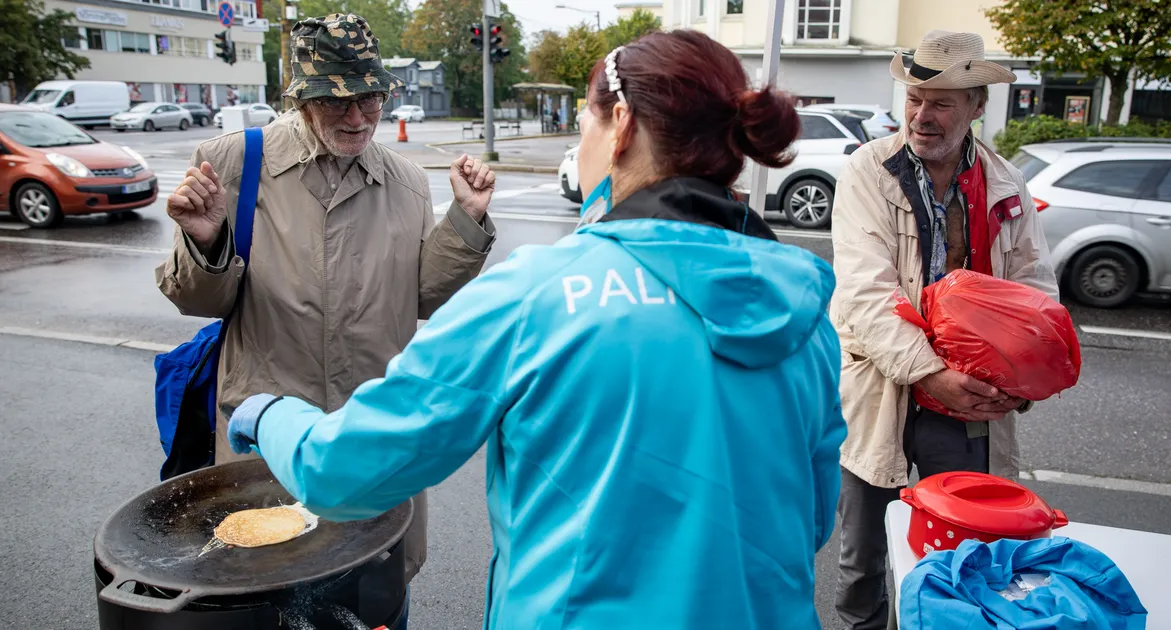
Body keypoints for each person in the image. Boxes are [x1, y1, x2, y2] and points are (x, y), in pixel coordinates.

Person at [227, 30, 845, 629]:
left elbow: (346, 471)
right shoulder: (800, 305)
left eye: (584, 124)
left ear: (622, 125)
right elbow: (813, 516)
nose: (581, 144)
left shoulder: (535, 294)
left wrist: (268, 414)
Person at [154, 12, 497, 621]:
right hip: (265, 444)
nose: (359, 117)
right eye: (337, 101)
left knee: (375, 600)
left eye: (370, 98)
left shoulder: (407, 182)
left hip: (374, 442)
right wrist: (206, 243)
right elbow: (199, 300)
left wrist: (465, 222)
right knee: (267, 595)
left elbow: (420, 298)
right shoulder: (233, 163)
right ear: (300, 98)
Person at [830, 30, 1058, 629]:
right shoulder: (867, 170)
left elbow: (1034, 294)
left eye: (941, 104)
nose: (921, 116)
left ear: (977, 106)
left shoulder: (1005, 183)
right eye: (914, 99)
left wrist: (1017, 383)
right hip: (882, 388)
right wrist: (930, 373)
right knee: (862, 562)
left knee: (963, 557)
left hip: (970, 401)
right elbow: (864, 293)